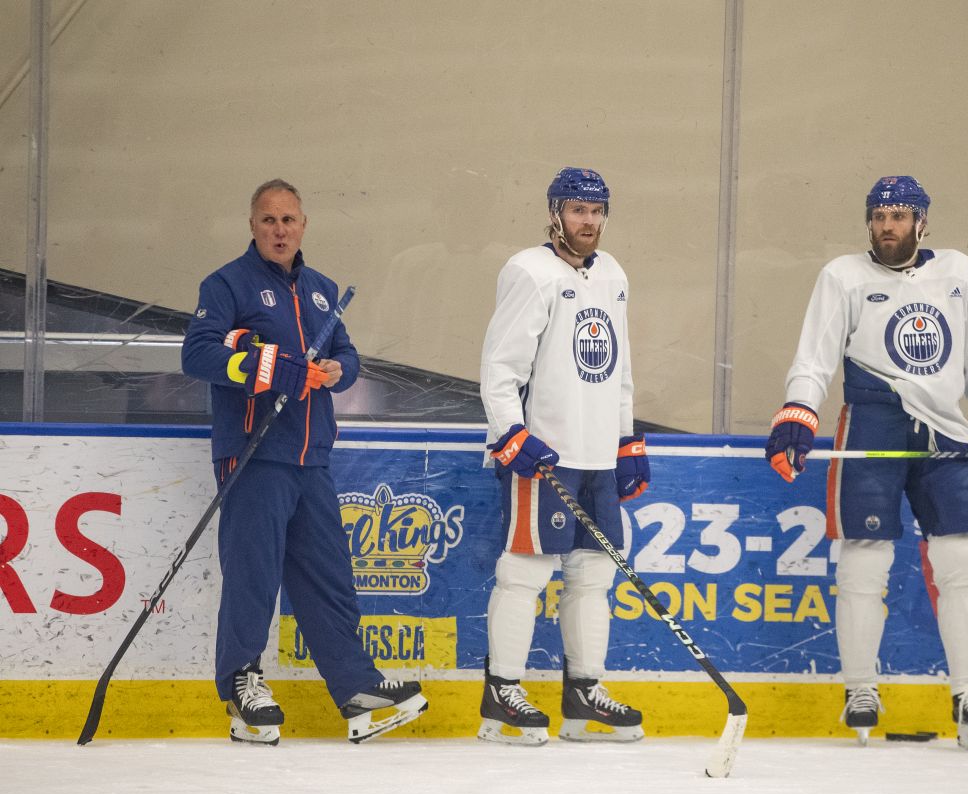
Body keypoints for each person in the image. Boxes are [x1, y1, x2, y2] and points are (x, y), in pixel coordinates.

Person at [765, 175, 968, 750]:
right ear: (869, 222)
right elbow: (813, 360)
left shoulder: (958, 273)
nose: (888, 227)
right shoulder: (843, 276)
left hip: (945, 433)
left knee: (961, 562)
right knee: (864, 563)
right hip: (872, 429)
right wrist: (796, 412)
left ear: (921, 221)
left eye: (900, 216)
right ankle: (860, 687)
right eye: (879, 217)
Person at [181, 178, 427, 745]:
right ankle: (242, 685)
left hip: (311, 456)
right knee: (253, 576)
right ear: (252, 225)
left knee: (328, 579)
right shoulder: (226, 284)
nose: (280, 230)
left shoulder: (321, 290)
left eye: (289, 220)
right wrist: (268, 367)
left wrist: (341, 371)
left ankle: (357, 691)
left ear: (303, 225)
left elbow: (346, 352)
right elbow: (198, 354)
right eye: (269, 220)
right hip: (255, 453)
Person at [477, 167, 651, 746]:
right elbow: (499, 369)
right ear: (555, 213)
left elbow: (620, 367)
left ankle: (582, 698)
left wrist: (626, 439)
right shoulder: (529, 271)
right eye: (578, 210)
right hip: (544, 455)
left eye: (597, 211)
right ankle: (501, 694)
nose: (589, 221)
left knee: (594, 576)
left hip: (598, 455)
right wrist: (512, 435)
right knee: (525, 572)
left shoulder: (615, 274)